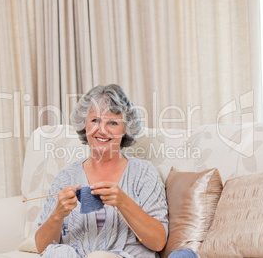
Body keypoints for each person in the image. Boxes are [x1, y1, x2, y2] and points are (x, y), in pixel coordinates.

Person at [35, 84, 169, 258]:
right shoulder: (66, 176)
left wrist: (123, 202)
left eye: (112, 122)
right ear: (84, 125)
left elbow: (158, 242)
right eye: (95, 121)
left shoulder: (144, 173)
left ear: (125, 129)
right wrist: (57, 214)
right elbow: (42, 248)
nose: (102, 130)